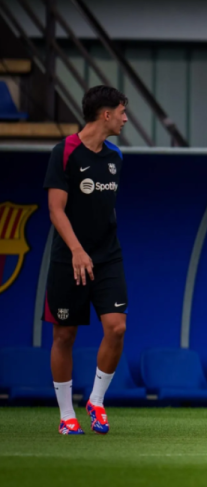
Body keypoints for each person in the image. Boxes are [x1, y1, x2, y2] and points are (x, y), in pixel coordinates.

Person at [43, 86, 129, 435]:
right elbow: (56, 210)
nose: (125, 119)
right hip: (69, 259)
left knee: (117, 328)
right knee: (64, 335)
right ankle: (67, 415)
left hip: (108, 257)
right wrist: (77, 250)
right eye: (122, 112)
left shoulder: (115, 156)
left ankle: (96, 400)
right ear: (106, 114)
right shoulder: (64, 152)